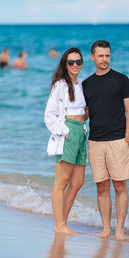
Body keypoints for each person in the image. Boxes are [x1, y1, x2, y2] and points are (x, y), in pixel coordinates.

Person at [82, 40, 129, 240]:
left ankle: (119, 230)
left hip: (117, 140)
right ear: (92, 57)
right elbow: (85, 113)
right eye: (101, 56)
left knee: (120, 186)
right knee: (101, 186)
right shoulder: (86, 84)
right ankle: (106, 229)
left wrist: (127, 139)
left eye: (108, 55)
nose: (105, 59)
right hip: (95, 141)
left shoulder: (122, 80)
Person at [44, 48, 87, 235]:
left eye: (78, 61)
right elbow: (49, 116)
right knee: (61, 183)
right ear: (65, 64)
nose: (75, 65)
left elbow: (83, 110)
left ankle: (62, 222)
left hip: (82, 132)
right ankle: (60, 225)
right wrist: (66, 131)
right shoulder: (60, 85)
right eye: (71, 62)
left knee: (77, 183)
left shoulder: (82, 85)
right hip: (68, 132)